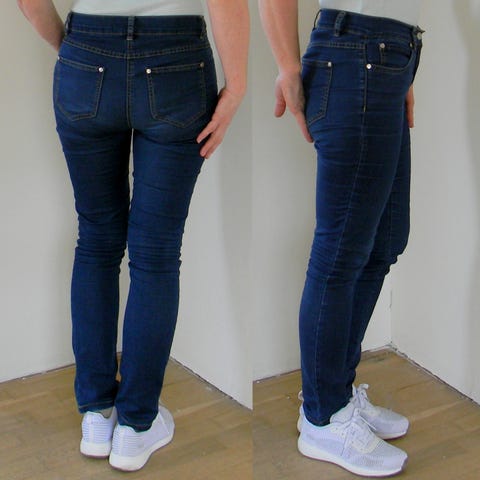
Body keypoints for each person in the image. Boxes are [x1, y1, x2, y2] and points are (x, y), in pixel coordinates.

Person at [17, 0, 249, 472]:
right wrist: (238, 83)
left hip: (87, 53)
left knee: (96, 242)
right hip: (175, 59)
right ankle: (136, 427)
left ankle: (97, 414)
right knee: (156, 253)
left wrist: (76, 49)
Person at [259, 0, 422, 477]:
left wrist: (403, 74)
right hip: (357, 55)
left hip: (388, 59)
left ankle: (337, 390)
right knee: (340, 252)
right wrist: (288, 67)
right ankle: (323, 417)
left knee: (386, 239)